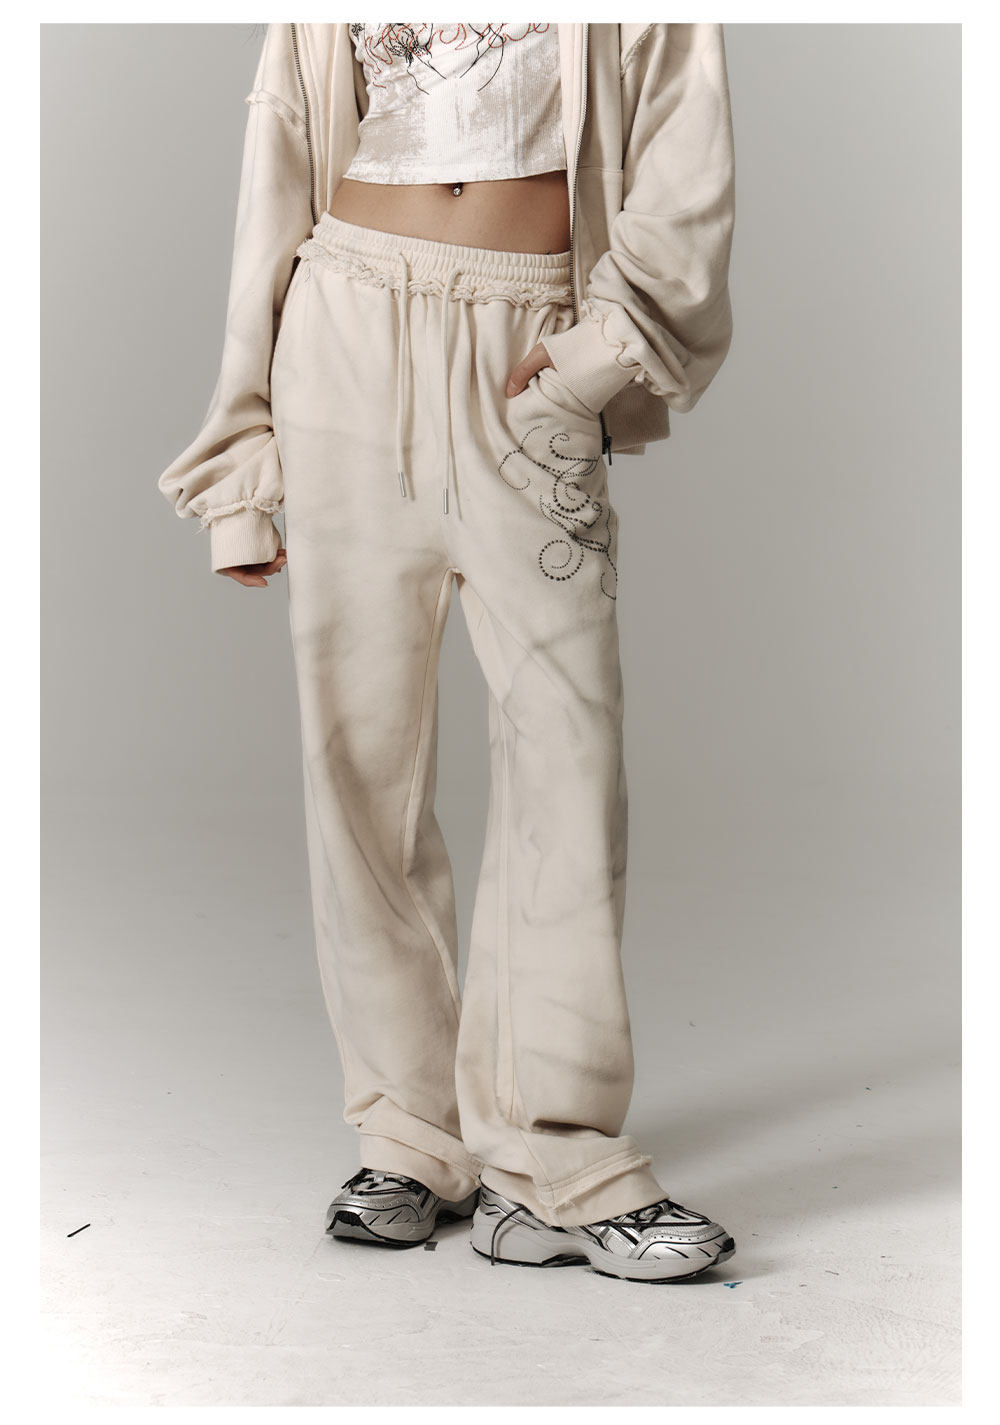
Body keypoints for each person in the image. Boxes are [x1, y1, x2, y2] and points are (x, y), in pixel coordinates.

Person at [157, 22, 737, 1284]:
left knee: (568, 759)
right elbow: (279, 169)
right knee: (358, 762)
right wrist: (244, 463)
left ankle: (556, 1154)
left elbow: (684, 162)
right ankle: (409, 1138)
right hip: (343, 334)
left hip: (528, 351)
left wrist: (593, 359)